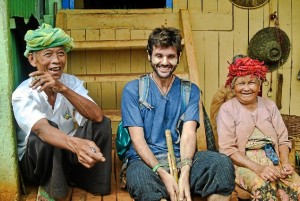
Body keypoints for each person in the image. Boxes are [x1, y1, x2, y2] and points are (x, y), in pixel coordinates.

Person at [121, 27, 235, 201]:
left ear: (178, 57)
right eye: (159, 56)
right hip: (147, 164)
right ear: (149, 55)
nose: (164, 62)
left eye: (171, 56)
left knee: (222, 164)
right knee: (139, 179)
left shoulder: (190, 91)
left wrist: (184, 173)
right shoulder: (133, 90)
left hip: (182, 160)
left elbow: (189, 134)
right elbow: (137, 140)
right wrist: (163, 173)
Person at [12, 23, 112, 200]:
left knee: (102, 123)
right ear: (32, 59)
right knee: (46, 132)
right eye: (48, 54)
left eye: (61, 53)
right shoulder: (22, 93)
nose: (56, 60)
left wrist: (62, 89)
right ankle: (53, 189)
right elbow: (41, 130)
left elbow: (96, 115)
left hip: (66, 154)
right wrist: (76, 144)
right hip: (37, 165)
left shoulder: (69, 82)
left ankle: (90, 181)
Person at [216, 56, 300, 200]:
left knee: (297, 186)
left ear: (259, 85)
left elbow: (283, 140)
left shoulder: (269, 105)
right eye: (241, 83)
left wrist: (285, 163)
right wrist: (258, 169)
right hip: (243, 165)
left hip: (275, 161)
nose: (247, 88)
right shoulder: (227, 109)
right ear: (233, 86)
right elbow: (228, 149)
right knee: (263, 188)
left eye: (252, 83)